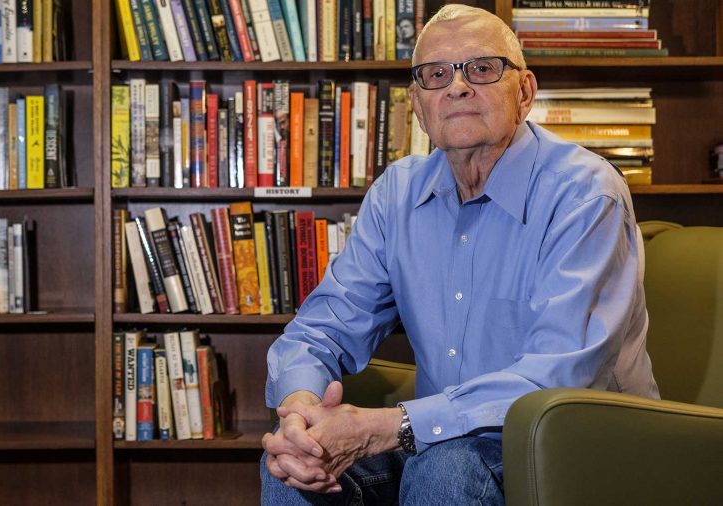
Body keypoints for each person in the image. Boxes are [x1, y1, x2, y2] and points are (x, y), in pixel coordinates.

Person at [261, 4, 659, 505]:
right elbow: (322, 328)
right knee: (294, 464)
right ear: (419, 105)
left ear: (526, 92)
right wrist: (300, 411)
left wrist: (393, 425)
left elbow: (558, 377)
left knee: (446, 467)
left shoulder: (584, 193)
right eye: (436, 74)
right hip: (438, 439)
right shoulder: (397, 194)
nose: (457, 86)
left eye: (482, 68)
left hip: (577, 444)